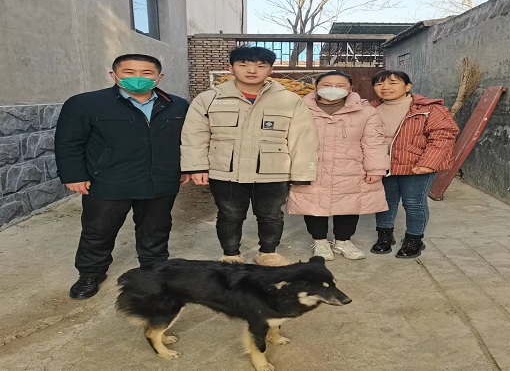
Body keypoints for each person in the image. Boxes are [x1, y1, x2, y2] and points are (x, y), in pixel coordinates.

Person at [54, 54, 190, 299]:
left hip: (159, 179)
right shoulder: (86, 103)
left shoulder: (177, 105)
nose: (138, 78)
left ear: (159, 77)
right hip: (108, 180)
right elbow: (69, 142)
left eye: (146, 73)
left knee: (156, 228)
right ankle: (90, 273)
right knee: (99, 230)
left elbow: (188, 141)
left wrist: (186, 168)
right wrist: (73, 175)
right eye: (129, 72)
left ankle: (154, 270)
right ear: (114, 74)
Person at [180, 46, 318, 267]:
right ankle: (231, 254)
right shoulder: (210, 98)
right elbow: (194, 134)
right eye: (243, 65)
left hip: (274, 171)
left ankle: (268, 252)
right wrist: (196, 167)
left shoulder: (289, 100)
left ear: (271, 70)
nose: (252, 71)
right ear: (231, 68)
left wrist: (302, 173)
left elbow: (303, 138)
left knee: (271, 214)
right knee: (229, 214)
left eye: (260, 66)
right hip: (225, 170)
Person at [287, 71, 389, 260]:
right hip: (310, 166)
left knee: (349, 205)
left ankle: (343, 242)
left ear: (350, 89)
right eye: (327, 85)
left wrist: (376, 169)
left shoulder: (365, 111)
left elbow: (374, 141)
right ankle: (320, 242)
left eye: (340, 86)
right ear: (316, 87)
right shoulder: (299, 108)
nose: (333, 89)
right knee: (313, 205)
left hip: (350, 168)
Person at [370, 70, 459, 258]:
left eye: (393, 83)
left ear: (408, 86)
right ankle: (385, 236)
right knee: (384, 202)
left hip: (416, 165)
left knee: (413, 203)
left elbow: (443, 137)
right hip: (382, 164)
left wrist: (429, 163)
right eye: (379, 84)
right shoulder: (370, 109)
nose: (385, 87)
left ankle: (414, 239)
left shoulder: (429, 109)